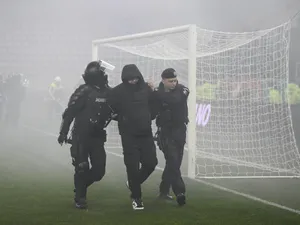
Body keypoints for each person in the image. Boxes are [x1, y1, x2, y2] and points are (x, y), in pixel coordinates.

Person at [57, 61, 113, 209]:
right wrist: (63, 132)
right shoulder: (83, 91)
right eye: (102, 72)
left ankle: (80, 186)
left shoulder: (108, 91)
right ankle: (80, 197)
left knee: (99, 171)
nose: (105, 75)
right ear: (96, 75)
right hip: (80, 136)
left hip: (97, 136)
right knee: (81, 167)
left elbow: (117, 107)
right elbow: (69, 113)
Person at [108, 64, 158, 210]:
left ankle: (133, 183)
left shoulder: (147, 89)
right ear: (124, 79)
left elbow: (155, 103)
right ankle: (136, 197)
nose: (133, 81)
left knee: (151, 163)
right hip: (128, 135)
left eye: (135, 78)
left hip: (146, 133)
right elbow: (110, 109)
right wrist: (122, 119)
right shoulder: (117, 91)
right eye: (129, 79)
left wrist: (150, 116)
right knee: (132, 167)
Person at [152, 68, 189, 206]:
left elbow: (175, 100)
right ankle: (180, 192)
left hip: (179, 130)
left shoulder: (183, 90)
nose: (174, 83)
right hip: (165, 132)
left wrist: (156, 92)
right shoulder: (156, 92)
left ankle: (163, 190)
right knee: (173, 160)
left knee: (175, 162)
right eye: (170, 81)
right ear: (163, 80)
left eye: (175, 80)